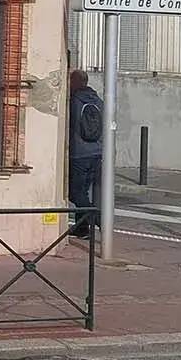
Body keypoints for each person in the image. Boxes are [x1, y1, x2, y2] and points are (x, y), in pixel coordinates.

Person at [67, 70, 104, 238]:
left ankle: (97, 218)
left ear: (74, 82)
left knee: (75, 192)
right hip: (96, 152)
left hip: (78, 153)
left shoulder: (73, 101)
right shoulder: (98, 101)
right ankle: (82, 228)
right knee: (83, 191)